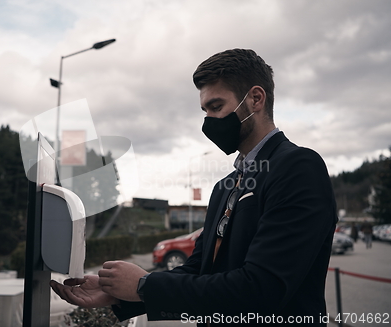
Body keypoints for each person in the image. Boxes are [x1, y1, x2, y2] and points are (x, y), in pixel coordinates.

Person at [51, 49, 338, 326]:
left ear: (256, 99)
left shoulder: (298, 167)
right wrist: (117, 293)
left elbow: (262, 289)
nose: (208, 121)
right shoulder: (224, 186)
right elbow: (198, 271)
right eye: (204, 110)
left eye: (216, 107)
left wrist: (143, 286)